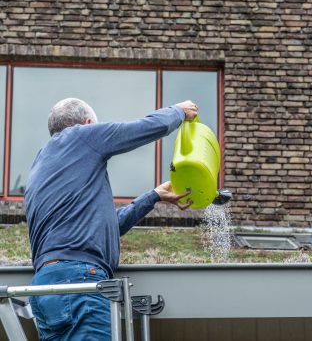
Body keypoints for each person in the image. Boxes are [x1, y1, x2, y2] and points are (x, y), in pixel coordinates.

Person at [25, 97, 198, 340]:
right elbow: (142, 129)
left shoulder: (42, 164)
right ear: (88, 124)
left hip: (46, 286)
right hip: (79, 281)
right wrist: (178, 112)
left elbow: (106, 228)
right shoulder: (81, 136)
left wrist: (153, 196)